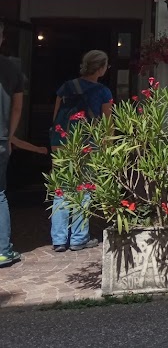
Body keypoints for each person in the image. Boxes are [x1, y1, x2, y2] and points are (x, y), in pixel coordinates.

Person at [50, 50, 113, 253]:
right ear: (101, 68)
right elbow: (107, 123)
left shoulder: (66, 86)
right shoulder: (103, 92)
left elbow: (56, 117)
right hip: (87, 143)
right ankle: (78, 238)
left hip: (61, 141)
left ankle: (59, 239)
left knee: (61, 188)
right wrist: (107, 147)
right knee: (83, 189)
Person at [0, 23, 41, 268]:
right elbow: (17, 107)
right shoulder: (12, 67)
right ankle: (3, 250)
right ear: (2, 38)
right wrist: (10, 135)